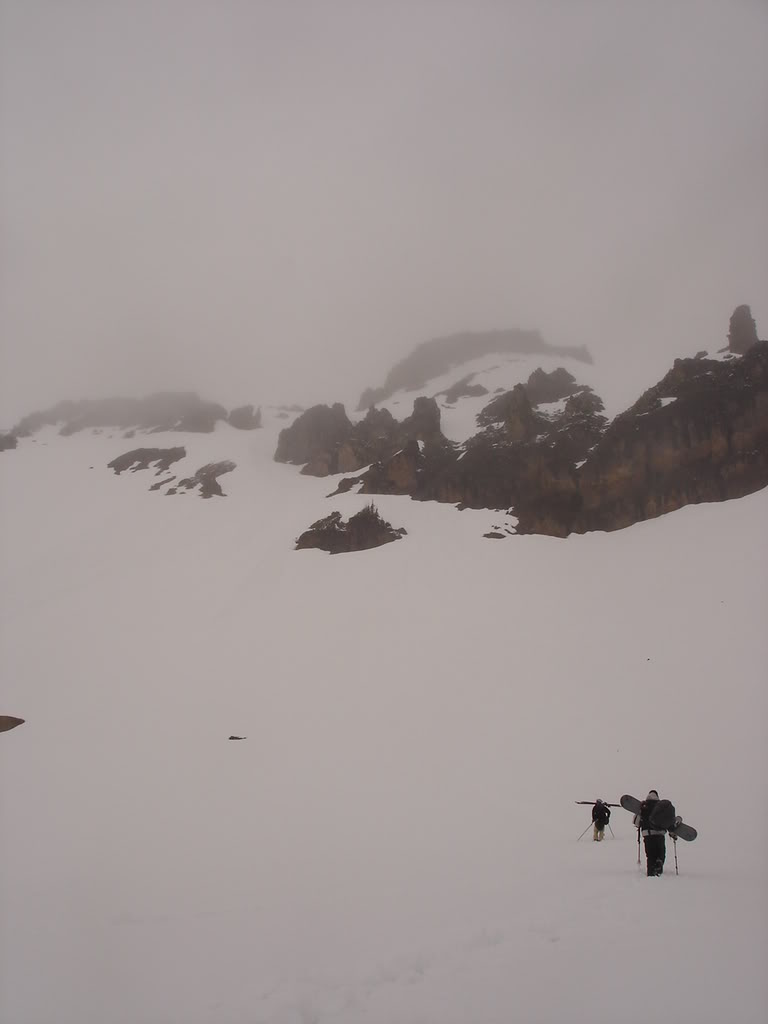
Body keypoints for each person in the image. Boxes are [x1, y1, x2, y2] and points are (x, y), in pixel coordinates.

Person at [634, 789, 666, 876]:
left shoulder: (644, 806)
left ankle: (651, 873)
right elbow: (667, 821)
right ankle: (659, 863)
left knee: (650, 855)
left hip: (648, 835)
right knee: (661, 853)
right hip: (660, 834)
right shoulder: (662, 807)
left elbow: (636, 822)